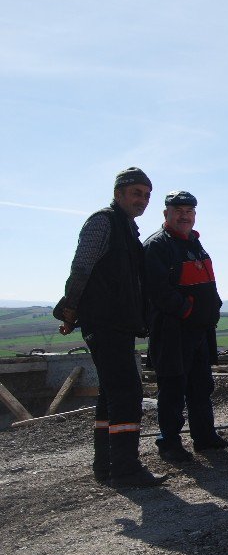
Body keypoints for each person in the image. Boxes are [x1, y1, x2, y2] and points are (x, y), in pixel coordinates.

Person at [55, 167, 167, 487]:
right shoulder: (103, 222)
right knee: (126, 391)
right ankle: (126, 468)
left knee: (111, 394)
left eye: (147, 195)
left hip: (117, 322)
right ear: (118, 194)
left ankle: (106, 465)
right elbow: (82, 266)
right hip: (103, 321)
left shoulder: (127, 229)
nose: (142, 200)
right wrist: (71, 308)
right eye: (136, 193)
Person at [144, 191, 228, 461]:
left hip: (199, 329)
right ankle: (170, 444)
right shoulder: (157, 245)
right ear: (166, 214)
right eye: (179, 211)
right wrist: (187, 310)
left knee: (201, 385)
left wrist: (213, 307)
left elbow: (207, 282)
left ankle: (205, 438)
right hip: (173, 330)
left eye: (189, 211)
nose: (185, 216)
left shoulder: (194, 243)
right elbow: (157, 291)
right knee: (173, 386)